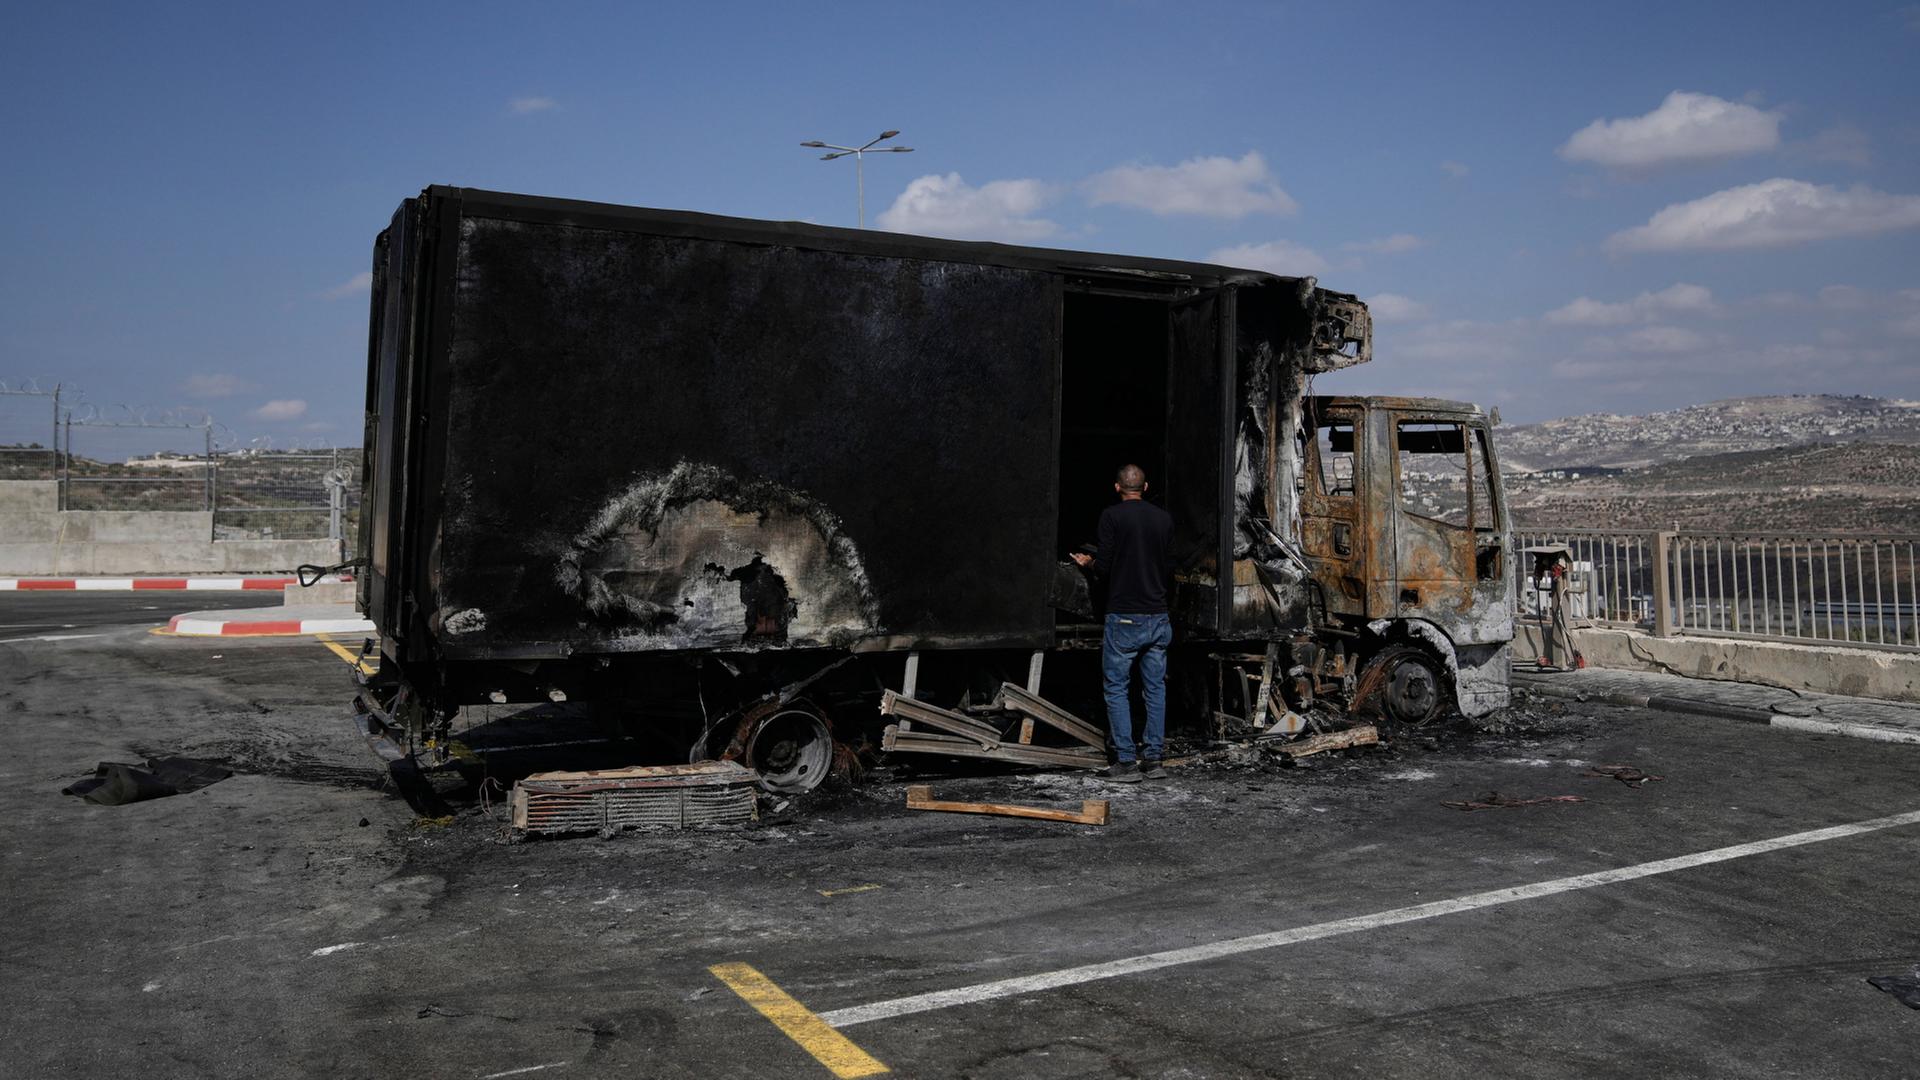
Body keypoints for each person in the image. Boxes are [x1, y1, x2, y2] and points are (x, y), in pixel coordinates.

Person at [1070, 464, 1173, 783]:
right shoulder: (1163, 519)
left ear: (1117, 488)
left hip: (1124, 616)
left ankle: (1126, 763)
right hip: (1158, 615)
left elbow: (1105, 568)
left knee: (1117, 688)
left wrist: (1089, 564)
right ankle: (1154, 761)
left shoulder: (1111, 517)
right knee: (1155, 688)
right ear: (1145, 486)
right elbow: (1168, 567)